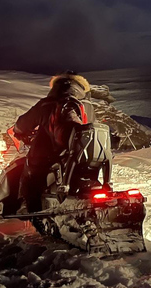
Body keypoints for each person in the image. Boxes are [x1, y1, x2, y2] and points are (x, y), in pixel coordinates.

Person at [14, 71, 92, 212]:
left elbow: (22, 124)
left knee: (30, 172)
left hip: (47, 154)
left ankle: (28, 207)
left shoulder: (47, 104)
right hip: (79, 155)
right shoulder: (85, 106)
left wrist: (19, 132)